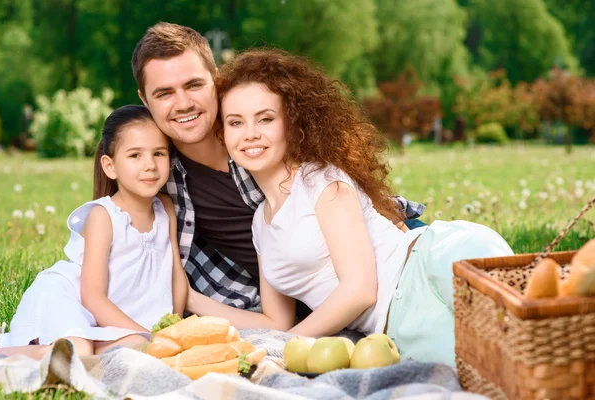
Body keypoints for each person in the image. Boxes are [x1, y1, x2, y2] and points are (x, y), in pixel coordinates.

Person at [183, 49, 514, 368]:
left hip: (428, 264)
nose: (251, 134)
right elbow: (276, 321)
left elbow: (359, 291)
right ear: (223, 133)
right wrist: (190, 299)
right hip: (399, 324)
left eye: (265, 119)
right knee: (495, 373)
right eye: (236, 123)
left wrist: (285, 350)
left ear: (291, 122)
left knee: (528, 330)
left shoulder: (320, 180)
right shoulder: (260, 224)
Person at [130, 22, 426, 316]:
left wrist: (406, 240)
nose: (183, 103)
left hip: (384, 257)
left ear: (216, 81)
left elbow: (358, 200)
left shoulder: (267, 134)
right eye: (164, 93)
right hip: (314, 297)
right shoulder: (155, 173)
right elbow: (111, 236)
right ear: (145, 100)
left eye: (194, 85)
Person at [0, 105, 188, 359]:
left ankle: (71, 354)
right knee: (80, 349)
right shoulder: (104, 216)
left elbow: (177, 276)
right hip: (67, 299)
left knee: (136, 346)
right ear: (110, 166)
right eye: (135, 156)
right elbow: (93, 298)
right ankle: (8, 354)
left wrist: (171, 328)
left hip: (104, 319)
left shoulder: (165, 208)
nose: (150, 165)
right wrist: (152, 337)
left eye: (159, 153)